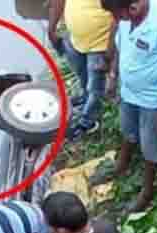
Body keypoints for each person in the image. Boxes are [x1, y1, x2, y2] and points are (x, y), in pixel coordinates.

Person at [91, 0, 157, 215]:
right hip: (128, 91)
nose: (119, 20)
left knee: (150, 146)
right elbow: (120, 44)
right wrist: (113, 76)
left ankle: (147, 192)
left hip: (152, 100)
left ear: (135, 5)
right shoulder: (124, 15)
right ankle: (121, 166)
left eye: (122, 15)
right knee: (127, 129)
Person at [48, 0, 117, 142]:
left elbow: (119, 16)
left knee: (95, 90)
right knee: (82, 76)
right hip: (75, 39)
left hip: (100, 44)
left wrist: (110, 53)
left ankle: (87, 123)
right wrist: (51, 29)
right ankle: (84, 98)